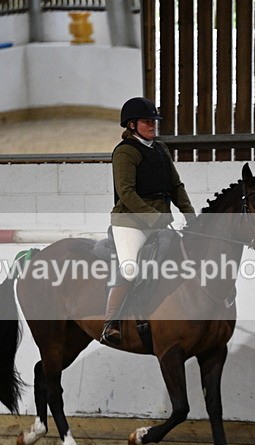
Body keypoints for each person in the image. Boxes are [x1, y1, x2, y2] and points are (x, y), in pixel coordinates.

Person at [102, 97, 196, 345]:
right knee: (130, 268)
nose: (153, 125)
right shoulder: (125, 152)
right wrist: (156, 219)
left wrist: (190, 215)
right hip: (130, 223)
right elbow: (127, 193)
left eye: (154, 121)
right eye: (147, 121)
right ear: (132, 125)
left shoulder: (161, 149)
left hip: (158, 222)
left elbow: (176, 185)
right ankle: (111, 322)